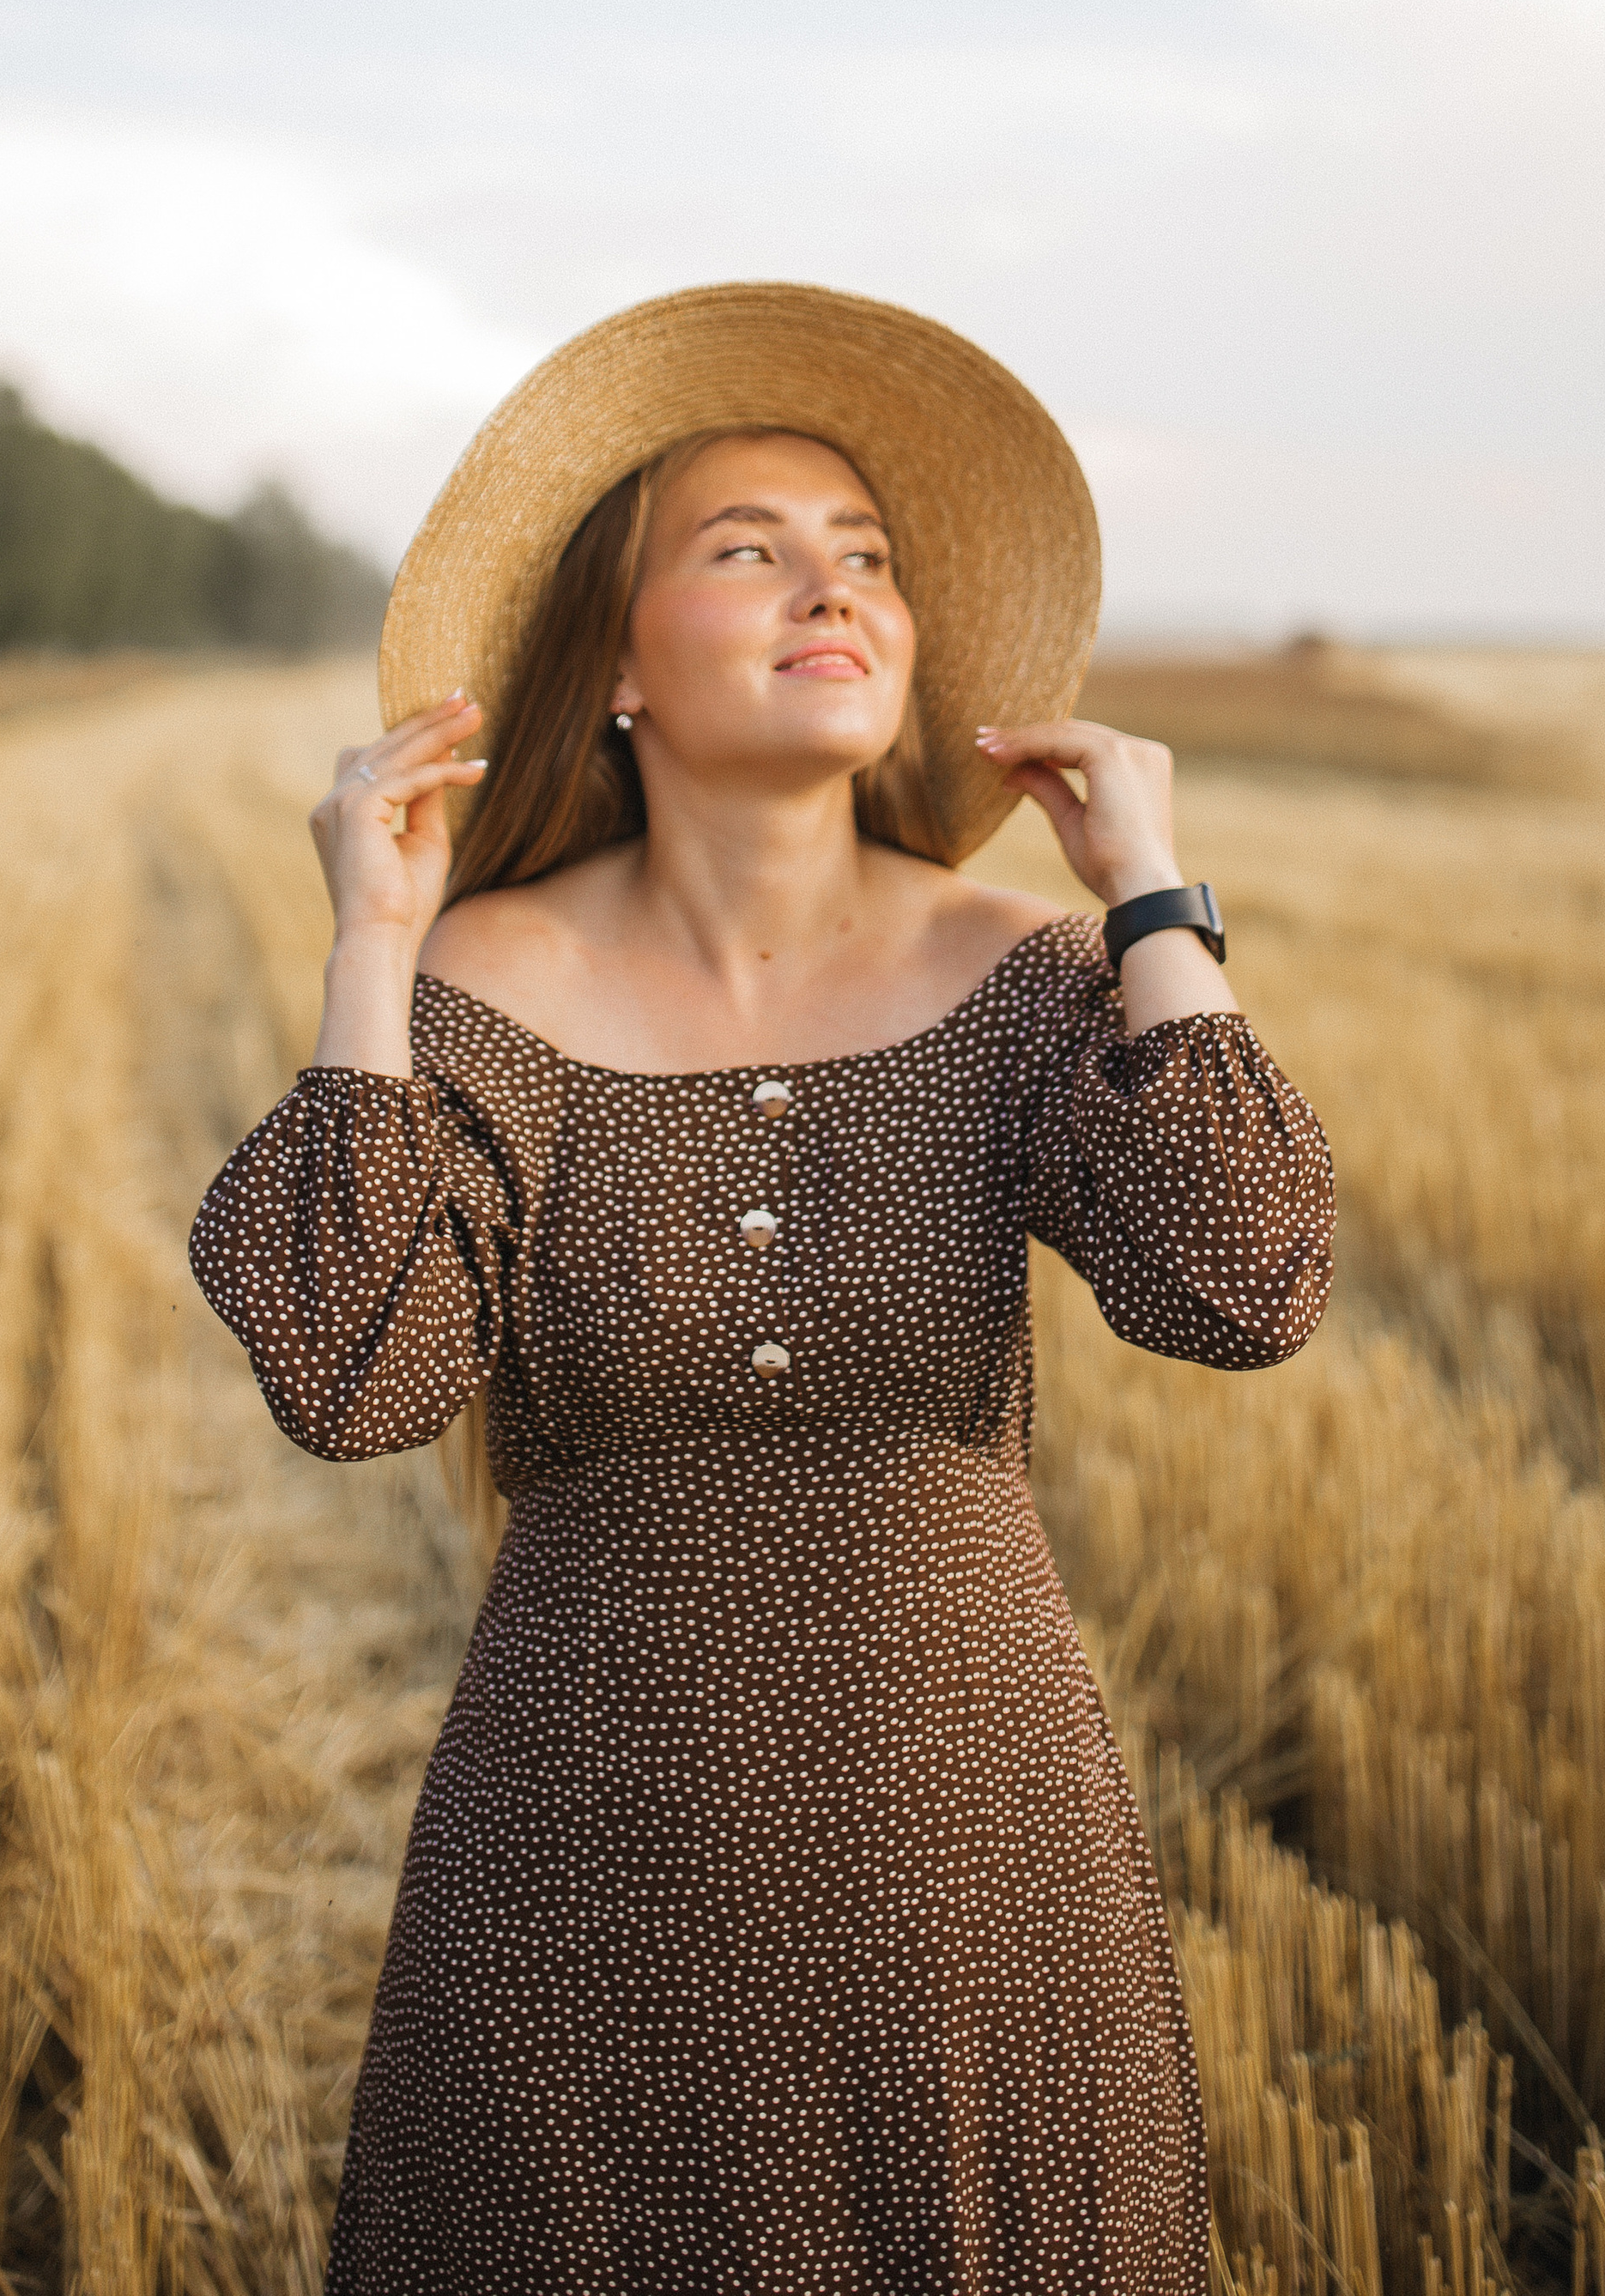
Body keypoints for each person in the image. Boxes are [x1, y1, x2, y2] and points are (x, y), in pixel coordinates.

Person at [190, 282, 1335, 2296]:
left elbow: (1243, 1282)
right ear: (617, 664)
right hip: (577, 1880)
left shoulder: (1017, 977)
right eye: (750, 552)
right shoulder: (486, 987)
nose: (835, 592)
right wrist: (373, 949)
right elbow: (355, 1377)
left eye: (866, 559)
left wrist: (1150, 900)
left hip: (973, 1873)